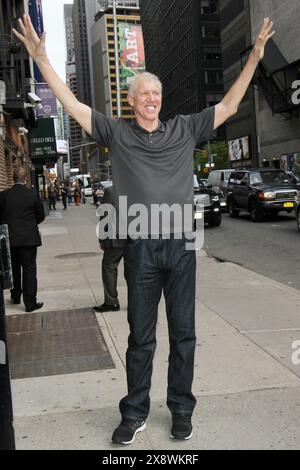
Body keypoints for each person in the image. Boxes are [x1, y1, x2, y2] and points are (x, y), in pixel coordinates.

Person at [13, 14, 275, 444]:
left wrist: (255, 58)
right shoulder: (116, 133)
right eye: (144, 94)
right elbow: (73, 106)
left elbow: (228, 106)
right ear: (131, 100)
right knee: (141, 336)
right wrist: (42, 61)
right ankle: (133, 413)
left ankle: (181, 409)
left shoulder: (184, 128)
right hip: (139, 245)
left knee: (184, 333)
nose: (152, 99)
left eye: (156, 93)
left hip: (182, 242)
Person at [0, 167, 45, 313]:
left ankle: (16, 295)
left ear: (13, 179)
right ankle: (30, 303)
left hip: (10, 240)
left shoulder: (4, 196)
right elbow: (41, 215)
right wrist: (30, 225)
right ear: (25, 179)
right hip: (28, 239)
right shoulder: (32, 194)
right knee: (29, 269)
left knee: (14, 268)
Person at [94, 185, 125, 313]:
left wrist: (102, 238)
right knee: (134, 270)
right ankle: (137, 303)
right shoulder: (138, 186)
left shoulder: (111, 190)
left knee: (109, 266)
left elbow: (105, 215)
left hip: (116, 237)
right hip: (136, 237)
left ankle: (111, 302)